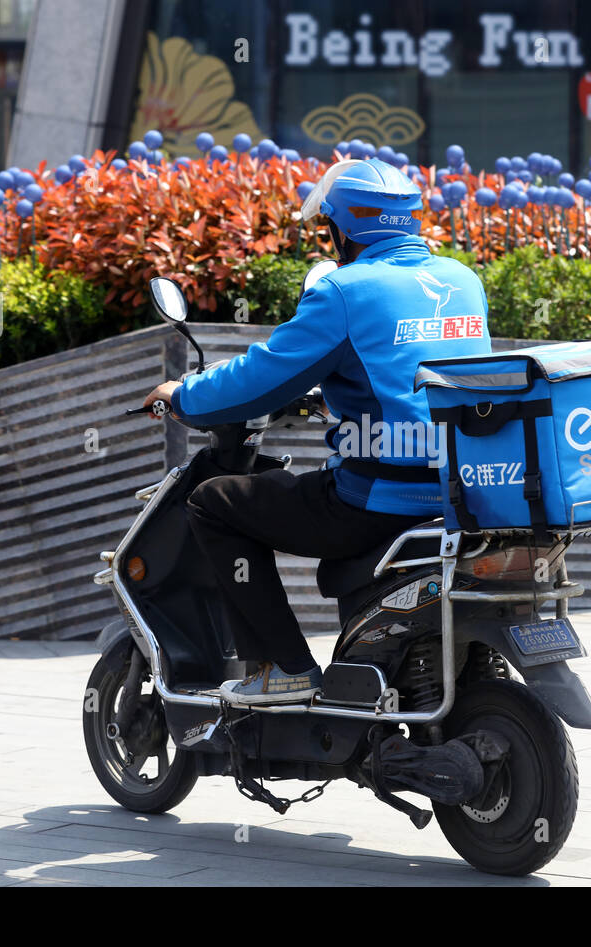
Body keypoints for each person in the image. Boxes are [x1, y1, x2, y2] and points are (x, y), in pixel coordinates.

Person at [141, 158, 491, 704]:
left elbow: (263, 377)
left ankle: (286, 668)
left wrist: (184, 394)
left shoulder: (345, 290)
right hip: (459, 493)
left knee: (214, 501)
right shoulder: (462, 281)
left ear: (341, 228)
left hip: (377, 499)